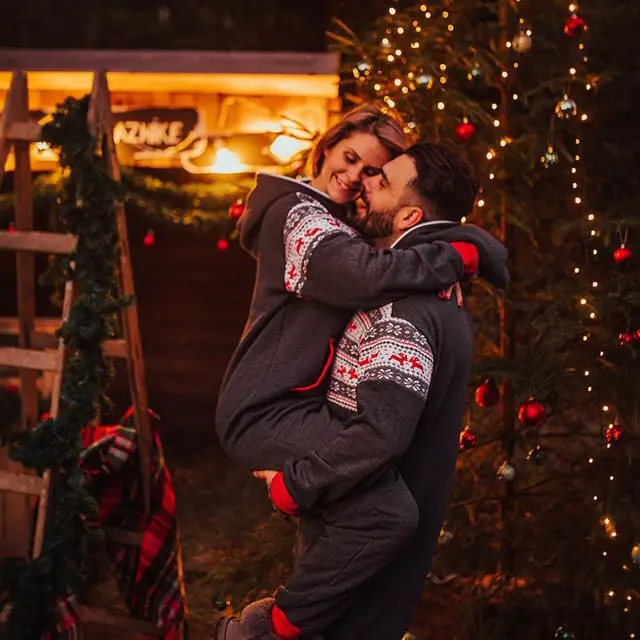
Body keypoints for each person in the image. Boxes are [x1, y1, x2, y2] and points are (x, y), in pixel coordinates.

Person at [215, 140, 509, 640]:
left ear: (409, 215)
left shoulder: (404, 306)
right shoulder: (423, 285)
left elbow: (381, 433)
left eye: (381, 178)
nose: (365, 182)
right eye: (358, 164)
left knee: (384, 516)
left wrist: (295, 485)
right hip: (352, 539)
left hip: (359, 582)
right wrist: (467, 250)